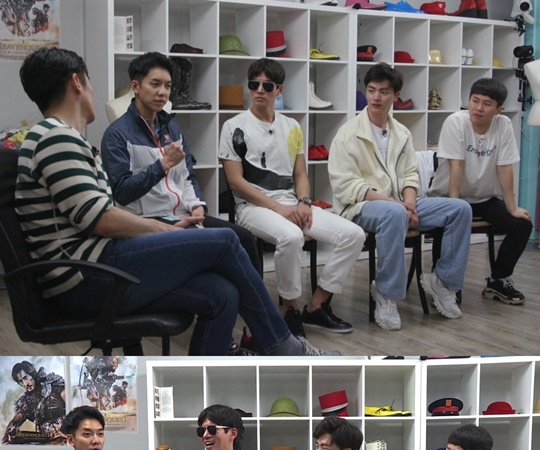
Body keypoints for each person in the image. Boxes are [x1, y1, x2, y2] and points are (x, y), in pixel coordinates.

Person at [16, 45, 320, 359]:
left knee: (223, 293)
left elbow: (183, 176)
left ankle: (207, 375)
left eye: (167, 85)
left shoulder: (63, 136)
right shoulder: (58, 137)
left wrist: (192, 210)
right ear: (77, 82)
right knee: (226, 241)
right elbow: (101, 218)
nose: (162, 92)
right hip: (85, 278)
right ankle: (285, 347)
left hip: (97, 267)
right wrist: (168, 230)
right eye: (90, 81)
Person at [220, 57, 366, 338]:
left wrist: (304, 202)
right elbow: (236, 182)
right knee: (291, 236)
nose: (259, 90)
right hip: (252, 207)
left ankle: (317, 305)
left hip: (290, 202)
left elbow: (300, 174)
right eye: (254, 84)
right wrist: (279, 208)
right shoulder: (233, 126)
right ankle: (291, 309)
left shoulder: (293, 127)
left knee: (353, 235)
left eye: (267, 86)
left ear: (279, 90)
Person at [328, 63, 472, 330]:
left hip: (400, 204)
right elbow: (346, 186)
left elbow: (410, 175)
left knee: (460, 208)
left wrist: (409, 203)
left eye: (384, 92)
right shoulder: (347, 134)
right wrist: (398, 205)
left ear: (395, 95)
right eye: (372, 90)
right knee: (394, 214)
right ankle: (386, 293)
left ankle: (443, 282)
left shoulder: (402, 133)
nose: (376, 97)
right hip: (360, 207)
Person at [100, 48, 260, 275]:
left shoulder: (172, 128)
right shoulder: (117, 134)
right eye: (155, 84)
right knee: (221, 247)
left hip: (183, 214)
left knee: (244, 238)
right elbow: (122, 193)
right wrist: (162, 165)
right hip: (149, 220)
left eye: (168, 86)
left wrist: (197, 205)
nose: (162, 92)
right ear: (135, 86)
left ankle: (253, 296)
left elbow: (188, 177)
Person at [428, 77, 532, 307]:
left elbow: (505, 168)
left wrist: (512, 207)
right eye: (475, 101)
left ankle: (498, 280)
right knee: (450, 222)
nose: (478, 108)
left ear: (498, 109)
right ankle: (442, 281)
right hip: (449, 196)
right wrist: (454, 206)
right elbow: (457, 166)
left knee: (521, 225)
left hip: (483, 197)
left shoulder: (503, 125)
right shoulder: (456, 122)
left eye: (487, 104)